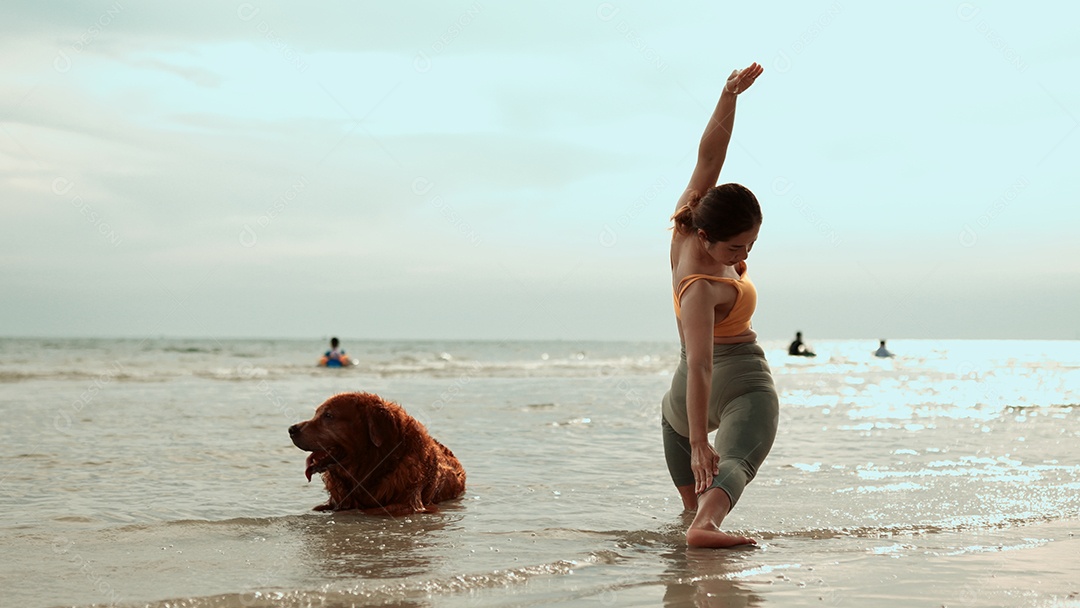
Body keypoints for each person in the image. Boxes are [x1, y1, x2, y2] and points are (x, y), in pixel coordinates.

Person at [660, 61, 779, 548]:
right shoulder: (701, 287)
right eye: (735, 249)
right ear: (708, 239)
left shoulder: (689, 226)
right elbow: (705, 366)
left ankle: (693, 533)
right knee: (737, 463)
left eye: (750, 246)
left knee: (688, 508)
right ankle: (706, 530)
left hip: (679, 399)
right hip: (740, 379)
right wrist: (697, 444)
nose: (743, 256)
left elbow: (709, 156)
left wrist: (728, 95)